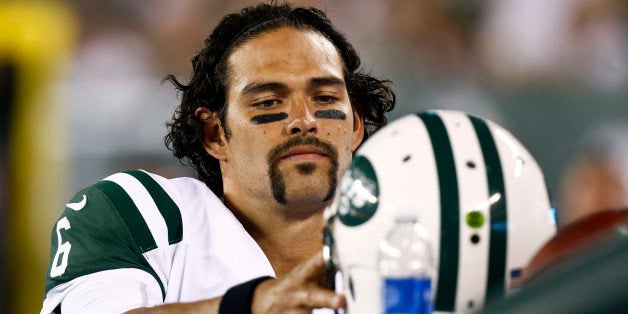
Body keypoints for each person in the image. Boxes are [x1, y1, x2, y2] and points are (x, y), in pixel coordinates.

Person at [40, 2, 395, 313]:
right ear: (215, 134)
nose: (304, 120)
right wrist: (251, 305)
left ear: (356, 126)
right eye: (269, 101)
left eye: (325, 98)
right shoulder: (146, 218)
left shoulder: (409, 245)